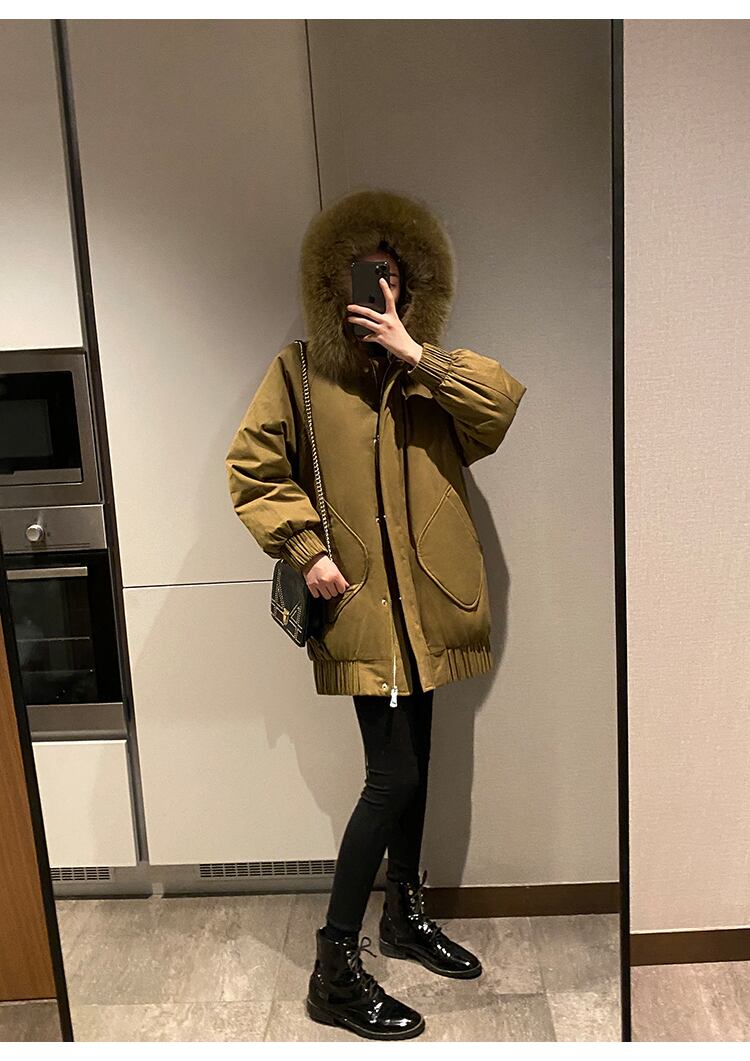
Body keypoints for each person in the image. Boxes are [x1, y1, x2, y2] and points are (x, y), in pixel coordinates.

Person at [225, 187, 527, 1040]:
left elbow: (500, 409)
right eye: (363, 276)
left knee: (418, 766)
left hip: (431, 610)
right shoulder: (299, 374)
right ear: (332, 284)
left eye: (390, 276)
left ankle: (403, 917)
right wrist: (305, 547)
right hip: (361, 611)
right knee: (391, 777)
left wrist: (414, 352)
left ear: (412, 285)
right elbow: (253, 468)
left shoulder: (428, 372)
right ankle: (333, 967)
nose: (377, 291)